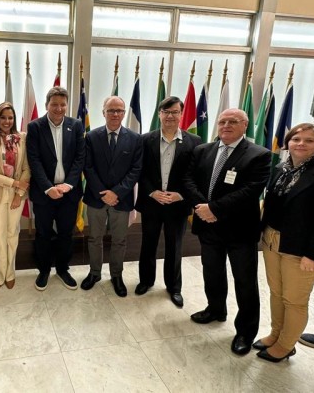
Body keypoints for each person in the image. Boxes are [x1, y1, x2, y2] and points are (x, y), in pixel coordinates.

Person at [255, 124, 314, 362]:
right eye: (296, 139)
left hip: (303, 249)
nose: (301, 144)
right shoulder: (281, 169)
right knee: (276, 293)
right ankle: (275, 334)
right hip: (273, 240)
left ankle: (286, 345)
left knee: (294, 300)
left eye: (309, 140)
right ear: (288, 142)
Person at [183, 108, 270, 356]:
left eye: (233, 121)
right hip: (207, 226)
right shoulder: (203, 150)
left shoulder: (259, 154)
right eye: (222, 121)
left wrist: (214, 209)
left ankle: (245, 332)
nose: (226, 125)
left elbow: (251, 190)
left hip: (239, 230)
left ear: (245, 125)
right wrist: (202, 207)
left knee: (245, 281)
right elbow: (188, 180)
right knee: (212, 272)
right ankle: (215, 309)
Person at [135, 96, 202, 307]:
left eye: (174, 112)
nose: (170, 116)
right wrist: (152, 192)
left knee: (175, 246)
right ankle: (146, 281)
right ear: (159, 114)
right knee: (148, 244)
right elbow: (140, 171)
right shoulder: (145, 139)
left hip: (178, 204)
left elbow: (195, 174)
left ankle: (174, 287)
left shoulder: (195, 141)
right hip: (152, 203)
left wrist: (181, 195)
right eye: (166, 112)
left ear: (181, 114)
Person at [81, 96, 142, 297]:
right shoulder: (91, 137)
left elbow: (136, 170)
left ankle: (116, 275)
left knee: (119, 240)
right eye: (111, 110)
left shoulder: (135, 138)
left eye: (119, 110)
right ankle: (94, 273)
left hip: (121, 199)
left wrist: (116, 192)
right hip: (96, 198)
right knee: (94, 238)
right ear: (103, 112)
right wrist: (103, 193)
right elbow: (88, 167)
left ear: (124, 113)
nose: (115, 114)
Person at [27, 86, 85, 291]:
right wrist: (48, 188)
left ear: (67, 105)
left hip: (69, 193)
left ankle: (62, 269)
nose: (59, 108)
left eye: (62, 104)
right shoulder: (35, 127)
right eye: (54, 104)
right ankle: (43, 270)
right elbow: (34, 160)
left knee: (66, 234)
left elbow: (80, 158)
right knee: (43, 233)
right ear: (47, 105)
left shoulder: (76, 125)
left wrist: (68, 184)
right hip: (44, 194)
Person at [0, 102, 30, 291]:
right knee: (0, 236)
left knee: (12, 234)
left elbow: (27, 168)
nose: (7, 121)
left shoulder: (22, 138)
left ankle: (10, 273)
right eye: (3, 117)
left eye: (10, 117)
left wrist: (19, 193)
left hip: (17, 195)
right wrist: (15, 183)